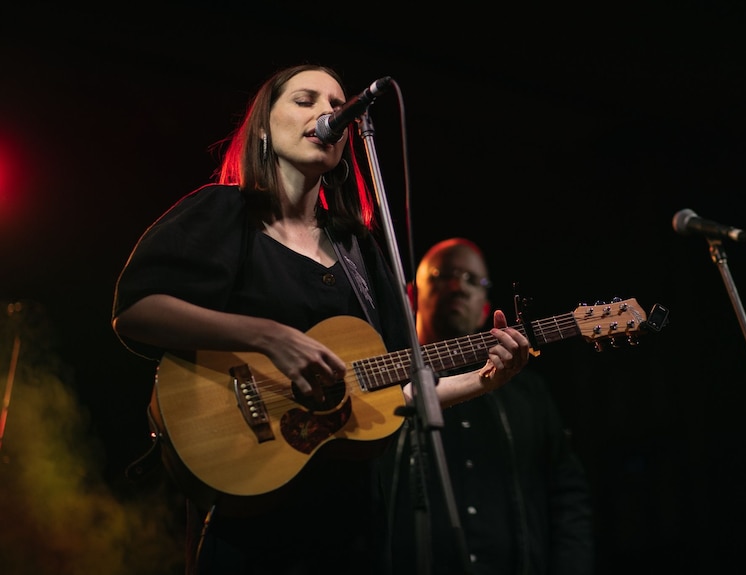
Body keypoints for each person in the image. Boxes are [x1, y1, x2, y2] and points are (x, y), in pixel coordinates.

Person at [110, 64, 531, 575]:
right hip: (253, 524)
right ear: (264, 126)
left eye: (337, 104)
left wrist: (481, 381)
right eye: (306, 100)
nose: (329, 113)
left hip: (352, 528)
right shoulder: (225, 213)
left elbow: (395, 387)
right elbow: (136, 310)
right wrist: (267, 337)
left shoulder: (359, 249)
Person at [382, 238, 595, 575]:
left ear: (485, 307)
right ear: (412, 295)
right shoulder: (385, 387)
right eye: (443, 274)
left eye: (472, 280)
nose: (458, 286)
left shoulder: (530, 393)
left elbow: (567, 494)